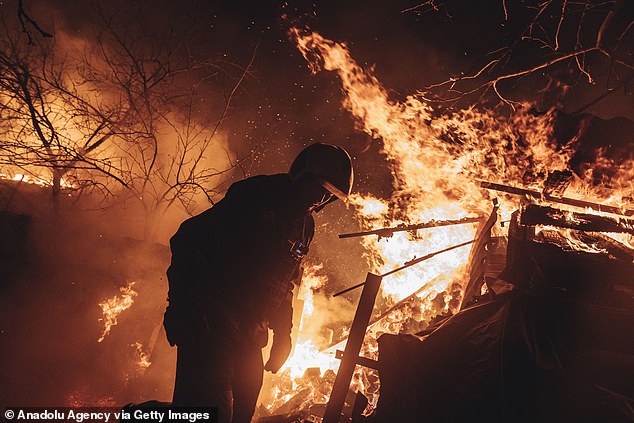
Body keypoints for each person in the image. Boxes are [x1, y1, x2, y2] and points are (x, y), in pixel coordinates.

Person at [163, 143, 354, 423]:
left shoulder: (305, 226)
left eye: (329, 196)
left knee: (242, 411)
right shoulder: (256, 196)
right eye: (320, 189)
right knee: (208, 411)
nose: (321, 199)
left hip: (251, 333)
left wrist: (283, 335)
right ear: (302, 175)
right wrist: (183, 308)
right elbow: (188, 239)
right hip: (212, 325)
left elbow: (284, 282)